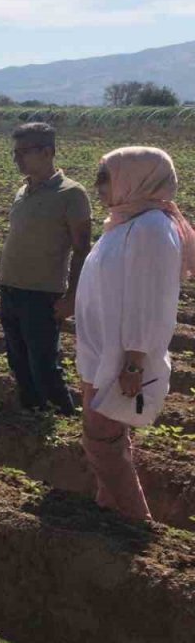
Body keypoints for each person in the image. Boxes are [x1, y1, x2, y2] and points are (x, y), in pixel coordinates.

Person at [74, 146, 194, 521]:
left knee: (102, 437)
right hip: (100, 348)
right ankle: (107, 503)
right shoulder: (125, 221)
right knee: (106, 433)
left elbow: (151, 300)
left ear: (136, 179)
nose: (99, 187)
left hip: (123, 354)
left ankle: (133, 518)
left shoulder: (152, 229)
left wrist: (134, 362)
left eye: (105, 178)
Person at [0, 123, 91, 415]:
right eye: (15, 153)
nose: (17, 159)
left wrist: (72, 297)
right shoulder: (22, 191)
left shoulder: (72, 194)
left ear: (48, 152)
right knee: (17, 359)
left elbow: (81, 250)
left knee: (43, 363)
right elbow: (12, 241)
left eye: (24, 152)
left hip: (42, 295)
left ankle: (64, 417)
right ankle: (32, 413)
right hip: (11, 289)